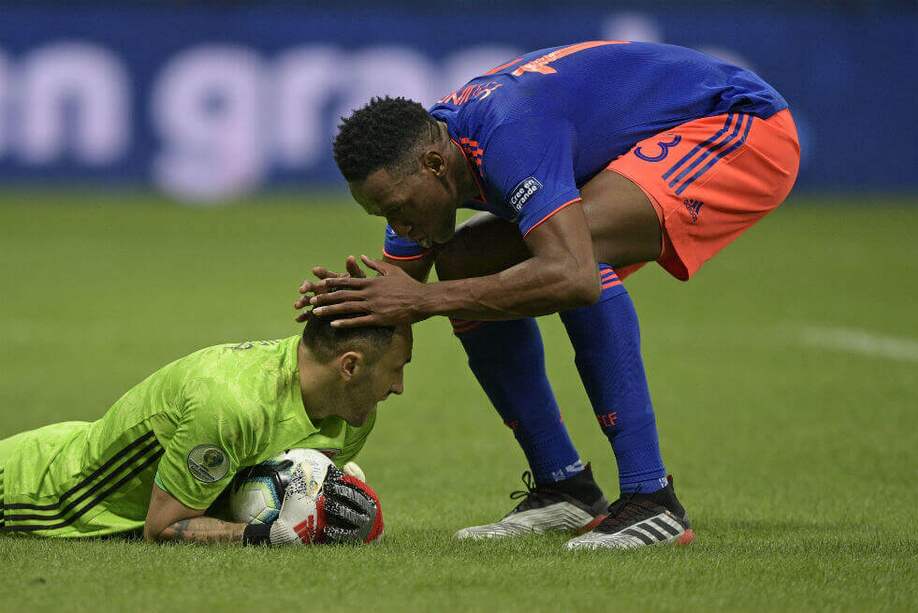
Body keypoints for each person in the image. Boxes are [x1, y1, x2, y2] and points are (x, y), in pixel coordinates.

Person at [300, 40, 799, 550]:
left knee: (575, 252)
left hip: (737, 127)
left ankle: (653, 499)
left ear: (433, 165)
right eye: (382, 216)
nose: (398, 225)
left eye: (398, 208)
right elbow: (393, 304)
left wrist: (426, 301)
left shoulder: (509, 134)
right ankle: (565, 486)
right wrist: (325, 351)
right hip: (639, 146)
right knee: (465, 258)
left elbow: (572, 276)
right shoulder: (423, 166)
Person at [0, 313, 412, 544]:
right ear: (350, 366)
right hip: (38, 493)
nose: (399, 387)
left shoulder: (351, 410)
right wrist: (266, 536)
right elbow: (161, 528)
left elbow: (277, 486)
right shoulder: (232, 405)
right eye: (396, 370)